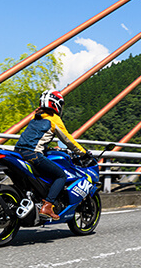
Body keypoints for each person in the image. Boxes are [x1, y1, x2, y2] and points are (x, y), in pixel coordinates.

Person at [14, 89, 88, 220]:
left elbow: (35, 137)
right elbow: (67, 140)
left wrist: (47, 148)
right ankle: (47, 206)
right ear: (56, 104)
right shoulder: (54, 119)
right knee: (60, 175)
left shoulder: (36, 116)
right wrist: (82, 153)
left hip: (19, 152)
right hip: (33, 155)